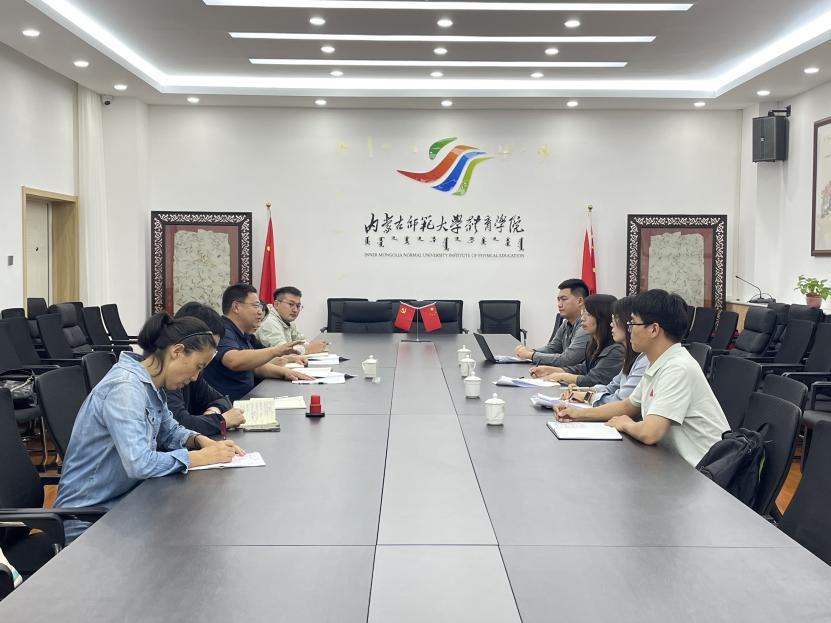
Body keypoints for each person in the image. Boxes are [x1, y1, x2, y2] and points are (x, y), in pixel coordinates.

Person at [53, 313, 246, 542]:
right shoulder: (125, 389)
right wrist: (201, 457)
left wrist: (198, 440)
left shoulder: (150, 384)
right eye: (198, 366)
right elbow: (139, 463)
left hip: (127, 504)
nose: (196, 377)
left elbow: (170, 431)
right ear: (177, 351)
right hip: (87, 521)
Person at [554, 289, 729, 467]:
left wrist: (626, 424)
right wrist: (578, 414)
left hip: (704, 471)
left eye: (632, 323)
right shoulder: (657, 362)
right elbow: (628, 405)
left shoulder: (678, 368)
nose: (629, 330)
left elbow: (650, 433)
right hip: (674, 463)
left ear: (653, 329)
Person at [202, 284, 312, 401]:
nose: (260, 312)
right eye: (256, 306)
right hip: (229, 404)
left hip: (248, 398)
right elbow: (234, 360)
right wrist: (276, 351)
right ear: (236, 307)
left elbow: (255, 367)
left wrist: (285, 373)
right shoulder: (223, 330)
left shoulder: (244, 333)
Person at [167, 302, 246, 436]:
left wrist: (213, 411)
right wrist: (221, 420)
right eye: (209, 347)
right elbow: (180, 425)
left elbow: (222, 399)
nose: (211, 354)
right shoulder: (166, 378)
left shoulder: (193, 373)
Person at [529, 294, 623, 386]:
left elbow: (592, 380)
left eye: (588, 314)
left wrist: (561, 376)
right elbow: (582, 369)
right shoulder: (594, 345)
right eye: (583, 313)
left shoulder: (616, 351)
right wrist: (549, 370)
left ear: (602, 318)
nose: (582, 318)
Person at [514, 278, 590, 366]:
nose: (559, 304)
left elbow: (568, 359)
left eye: (564, 299)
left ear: (580, 301)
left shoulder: (586, 327)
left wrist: (531, 355)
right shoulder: (566, 323)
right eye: (558, 300)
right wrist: (531, 351)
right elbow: (552, 349)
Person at [255, 286, 328, 354]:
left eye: (298, 306)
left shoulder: (287, 321)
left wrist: (314, 345)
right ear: (276, 304)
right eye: (291, 304)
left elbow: (301, 341)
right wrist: (308, 349)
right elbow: (281, 350)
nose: (295, 310)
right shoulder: (269, 322)